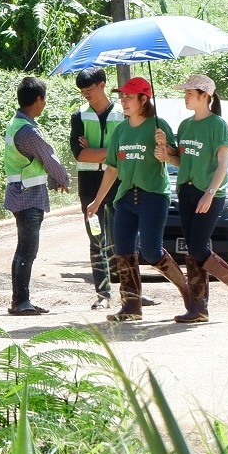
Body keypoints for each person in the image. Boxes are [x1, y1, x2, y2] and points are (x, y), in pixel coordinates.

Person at [83, 76, 185, 322]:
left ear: (143, 98)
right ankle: (131, 306)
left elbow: (178, 160)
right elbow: (112, 169)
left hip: (153, 195)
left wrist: (166, 149)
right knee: (123, 251)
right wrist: (97, 201)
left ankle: (187, 291)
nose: (124, 101)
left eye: (129, 97)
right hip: (125, 197)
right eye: (122, 97)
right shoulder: (120, 130)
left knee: (151, 251)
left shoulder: (159, 126)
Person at [171, 73, 228, 323]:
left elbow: (223, 164)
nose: (185, 97)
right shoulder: (185, 126)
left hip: (210, 192)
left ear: (205, 96)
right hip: (187, 191)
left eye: (189, 93)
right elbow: (181, 161)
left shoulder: (217, 125)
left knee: (199, 248)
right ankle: (198, 308)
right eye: (185, 93)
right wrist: (165, 154)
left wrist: (210, 193)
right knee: (192, 252)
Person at [3, 76, 72, 316]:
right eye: (45, 99)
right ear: (38, 100)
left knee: (24, 249)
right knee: (27, 250)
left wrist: (52, 180)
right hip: (28, 197)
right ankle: (21, 302)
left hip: (21, 192)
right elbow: (48, 156)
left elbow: (34, 160)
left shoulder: (17, 125)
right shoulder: (28, 131)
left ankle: (20, 300)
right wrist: (63, 178)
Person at [69, 68, 125, 308]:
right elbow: (79, 154)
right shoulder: (79, 116)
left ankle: (131, 292)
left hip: (120, 184)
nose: (86, 95)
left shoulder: (124, 113)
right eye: (82, 92)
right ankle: (103, 295)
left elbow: (128, 153)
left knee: (125, 238)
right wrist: (113, 153)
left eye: (89, 90)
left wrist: (97, 153)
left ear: (102, 85)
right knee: (96, 238)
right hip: (90, 188)